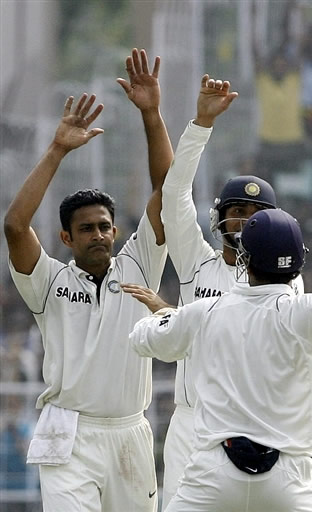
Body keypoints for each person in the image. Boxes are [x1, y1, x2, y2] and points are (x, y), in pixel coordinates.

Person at [128, 161, 312, 511]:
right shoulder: (307, 315)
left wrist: (168, 316)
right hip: (289, 479)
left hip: (212, 476)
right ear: (299, 264)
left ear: (244, 260)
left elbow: (142, 338)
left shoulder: (205, 314)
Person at [3, 48, 173, 512]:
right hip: (67, 430)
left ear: (115, 230)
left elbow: (168, 193)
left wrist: (152, 114)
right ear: (66, 237)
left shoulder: (139, 264)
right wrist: (58, 148)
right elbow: (16, 227)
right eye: (86, 229)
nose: (99, 235)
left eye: (105, 226)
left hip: (128, 432)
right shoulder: (48, 282)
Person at [123, 73, 303, 510]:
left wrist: (167, 311)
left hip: (257, 425)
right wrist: (201, 123)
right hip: (192, 424)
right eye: (236, 211)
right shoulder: (196, 261)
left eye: (255, 213)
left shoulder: (285, 281)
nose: (243, 222)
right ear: (219, 217)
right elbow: (174, 194)